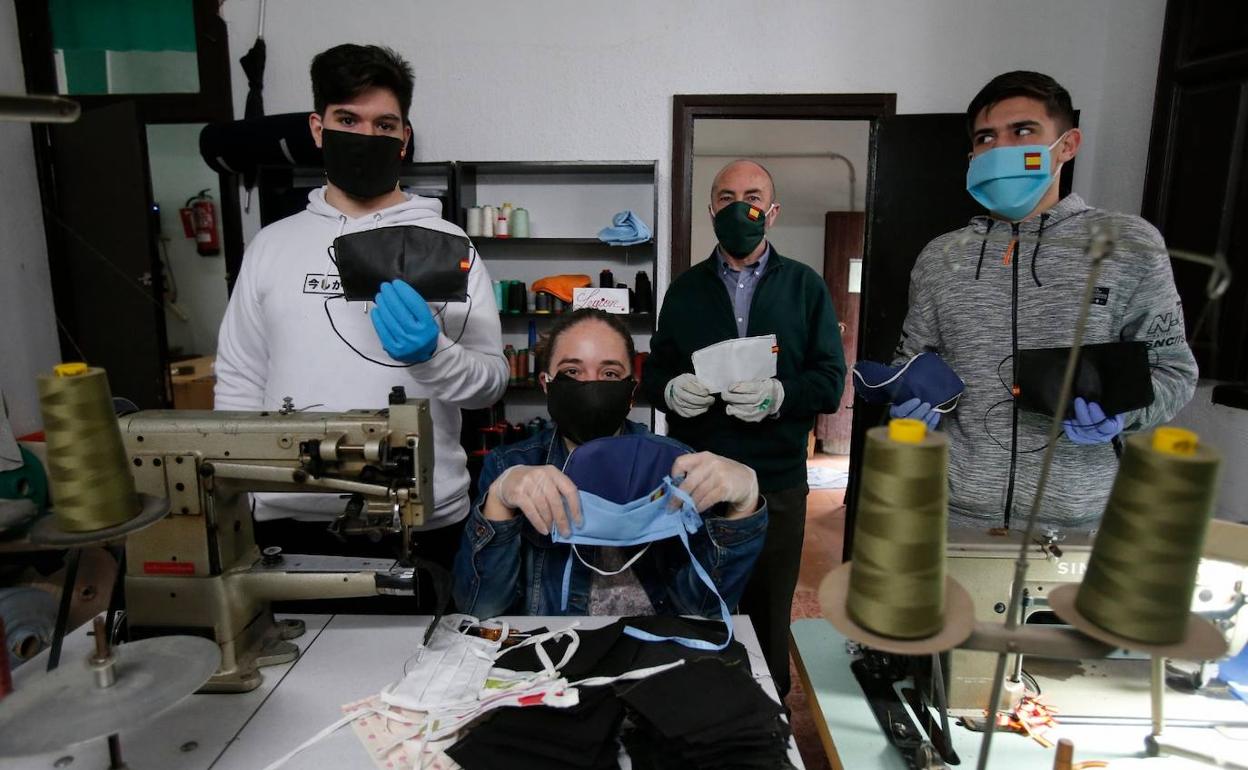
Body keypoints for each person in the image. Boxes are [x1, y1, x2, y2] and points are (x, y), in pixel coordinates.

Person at [214, 45, 506, 574]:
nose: (366, 137)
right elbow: (238, 382)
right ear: (319, 128)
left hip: (420, 517)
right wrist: (239, 494)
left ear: (404, 138)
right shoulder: (271, 247)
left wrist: (432, 356)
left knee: (424, 657)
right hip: (288, 513)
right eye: (348, 119)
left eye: (384, 124)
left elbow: (490, 383)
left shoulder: (448, 244)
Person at [889, 70, 1197, 530]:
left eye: (1023, 132)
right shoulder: (941, 257)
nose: (1001, 148)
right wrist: (906, 404)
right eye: (986, 138)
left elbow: (1174, 370)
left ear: (1068, 145)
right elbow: (910, 361)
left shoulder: (1129, 245)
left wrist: (1124, 413)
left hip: (1081, 518)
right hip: (954, 512)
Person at [641, 160, 846, 699]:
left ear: (772, 212)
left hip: (777, 483)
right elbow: (655, 372)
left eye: (752, 197)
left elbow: (829, 382)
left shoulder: (805, 288)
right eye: (726, 197)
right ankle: (694, 712)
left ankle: (769, 717)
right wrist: (667, 390)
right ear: (711, 211)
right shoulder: (684, 291)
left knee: (769, 613)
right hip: (697, 484)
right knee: (697, 605)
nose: (740, 208)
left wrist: (781, 395)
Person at [453, 309, 768, 619]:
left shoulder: (675, 465)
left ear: (631, 391)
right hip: (554, 658)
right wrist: (499, 499)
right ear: (546, 384)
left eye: (610, 374)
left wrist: (743, 506)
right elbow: (481, 611)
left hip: (655, 656)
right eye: (572, 372)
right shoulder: (510, 466)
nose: (591, 386)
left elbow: (702, 611)